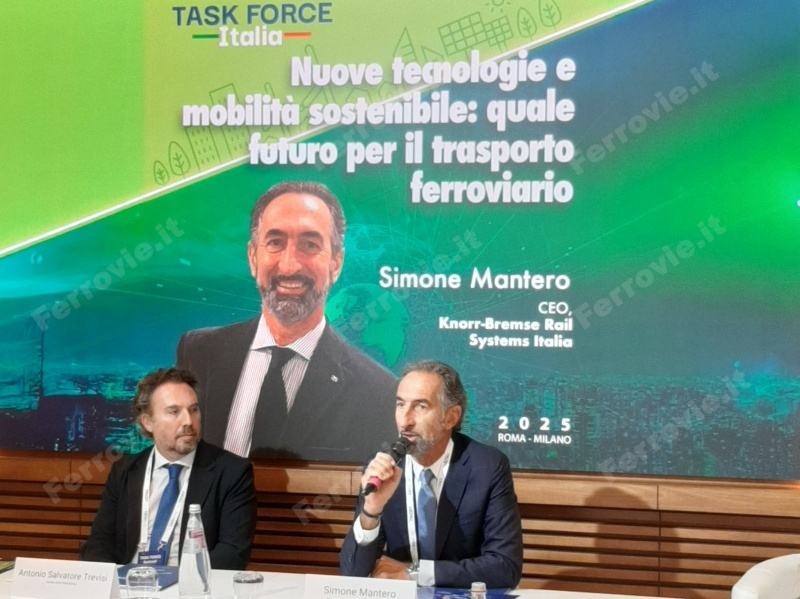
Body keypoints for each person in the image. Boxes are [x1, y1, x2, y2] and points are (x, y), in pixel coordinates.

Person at [176, 181, 397, 463]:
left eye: (310, 245)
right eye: (275, 243)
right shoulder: (198, 352)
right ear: (253, 258)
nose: (290, 265)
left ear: (336, 264)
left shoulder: (378, 392)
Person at [339, 360, 523, 588]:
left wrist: (415, 573)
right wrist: (371, 511)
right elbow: (352, 572)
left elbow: (505, 567)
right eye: (400, 404)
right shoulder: (382, 469)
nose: (405, 421)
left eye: (420, 407)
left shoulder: (487, 466)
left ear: (451, 417)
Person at [80, 368, 256, 570]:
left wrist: (181, 582)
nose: (188, 421)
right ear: (148, 422)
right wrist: (115, 580)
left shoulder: (232, 472)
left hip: (190, 583)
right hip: (129, 580)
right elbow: (99, 542)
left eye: (193, 410)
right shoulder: (125, 471)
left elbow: (233, 552)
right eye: (174, 412)